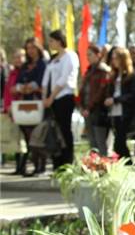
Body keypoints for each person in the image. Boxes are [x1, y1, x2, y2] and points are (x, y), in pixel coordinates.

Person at [42, 30, 80, 170]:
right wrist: (45, 97)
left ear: (59, 41)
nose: (50, 43)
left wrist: (51, 97)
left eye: (52, 40)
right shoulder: (53, 59)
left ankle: (67, 161)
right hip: (52, 100)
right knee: (54, 130)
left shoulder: (70, 55)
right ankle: (56, 161)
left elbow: (65, 78)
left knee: (64, 129)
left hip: (64, 97)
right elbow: (46, 80)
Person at [16, 38, 47, 176]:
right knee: (28, 137)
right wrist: (21, 87)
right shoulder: (25, 66)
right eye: (28, 48)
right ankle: (34, 166)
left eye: (33, 47)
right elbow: (17, 83)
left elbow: (41, 82)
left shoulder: (43, 64)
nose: (30, 50)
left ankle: (41, 166)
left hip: (38, 104)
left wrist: (31, 87)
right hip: (24, 104)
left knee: (38, 136)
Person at [104, 47, 135, 160]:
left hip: (125, 112)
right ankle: (124, 164)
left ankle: (127, 163)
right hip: (114, 112)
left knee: (119, 141)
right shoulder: (114, 76)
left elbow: (133, 95)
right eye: (113, 59)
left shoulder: (131, 76)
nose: (113, 61)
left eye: (116, 58)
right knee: (118, 140)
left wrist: (116, 100)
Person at [79, 44, 111, 155]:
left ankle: (104, 165)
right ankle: (94, 165)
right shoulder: (88, 71)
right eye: (87, 55)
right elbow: (83, 90)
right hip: (87, 110)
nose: (88, 57)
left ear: (98, 55)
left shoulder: (103, 70)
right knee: (92, 141)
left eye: (90, 55)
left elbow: (101, 91)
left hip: (98, 110)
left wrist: (89, 107)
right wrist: (82, 107)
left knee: (100, 141)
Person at [3, 49, 25, 174]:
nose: (18, 60)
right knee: (15, 139)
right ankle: (18, 166)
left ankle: (23, 165)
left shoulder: (26, 72)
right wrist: (7, 107)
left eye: (20, 57)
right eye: (15, 57)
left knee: (24, 139)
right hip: (12, 110)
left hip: (23, 109)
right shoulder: (12, 74)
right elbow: (7, 92)